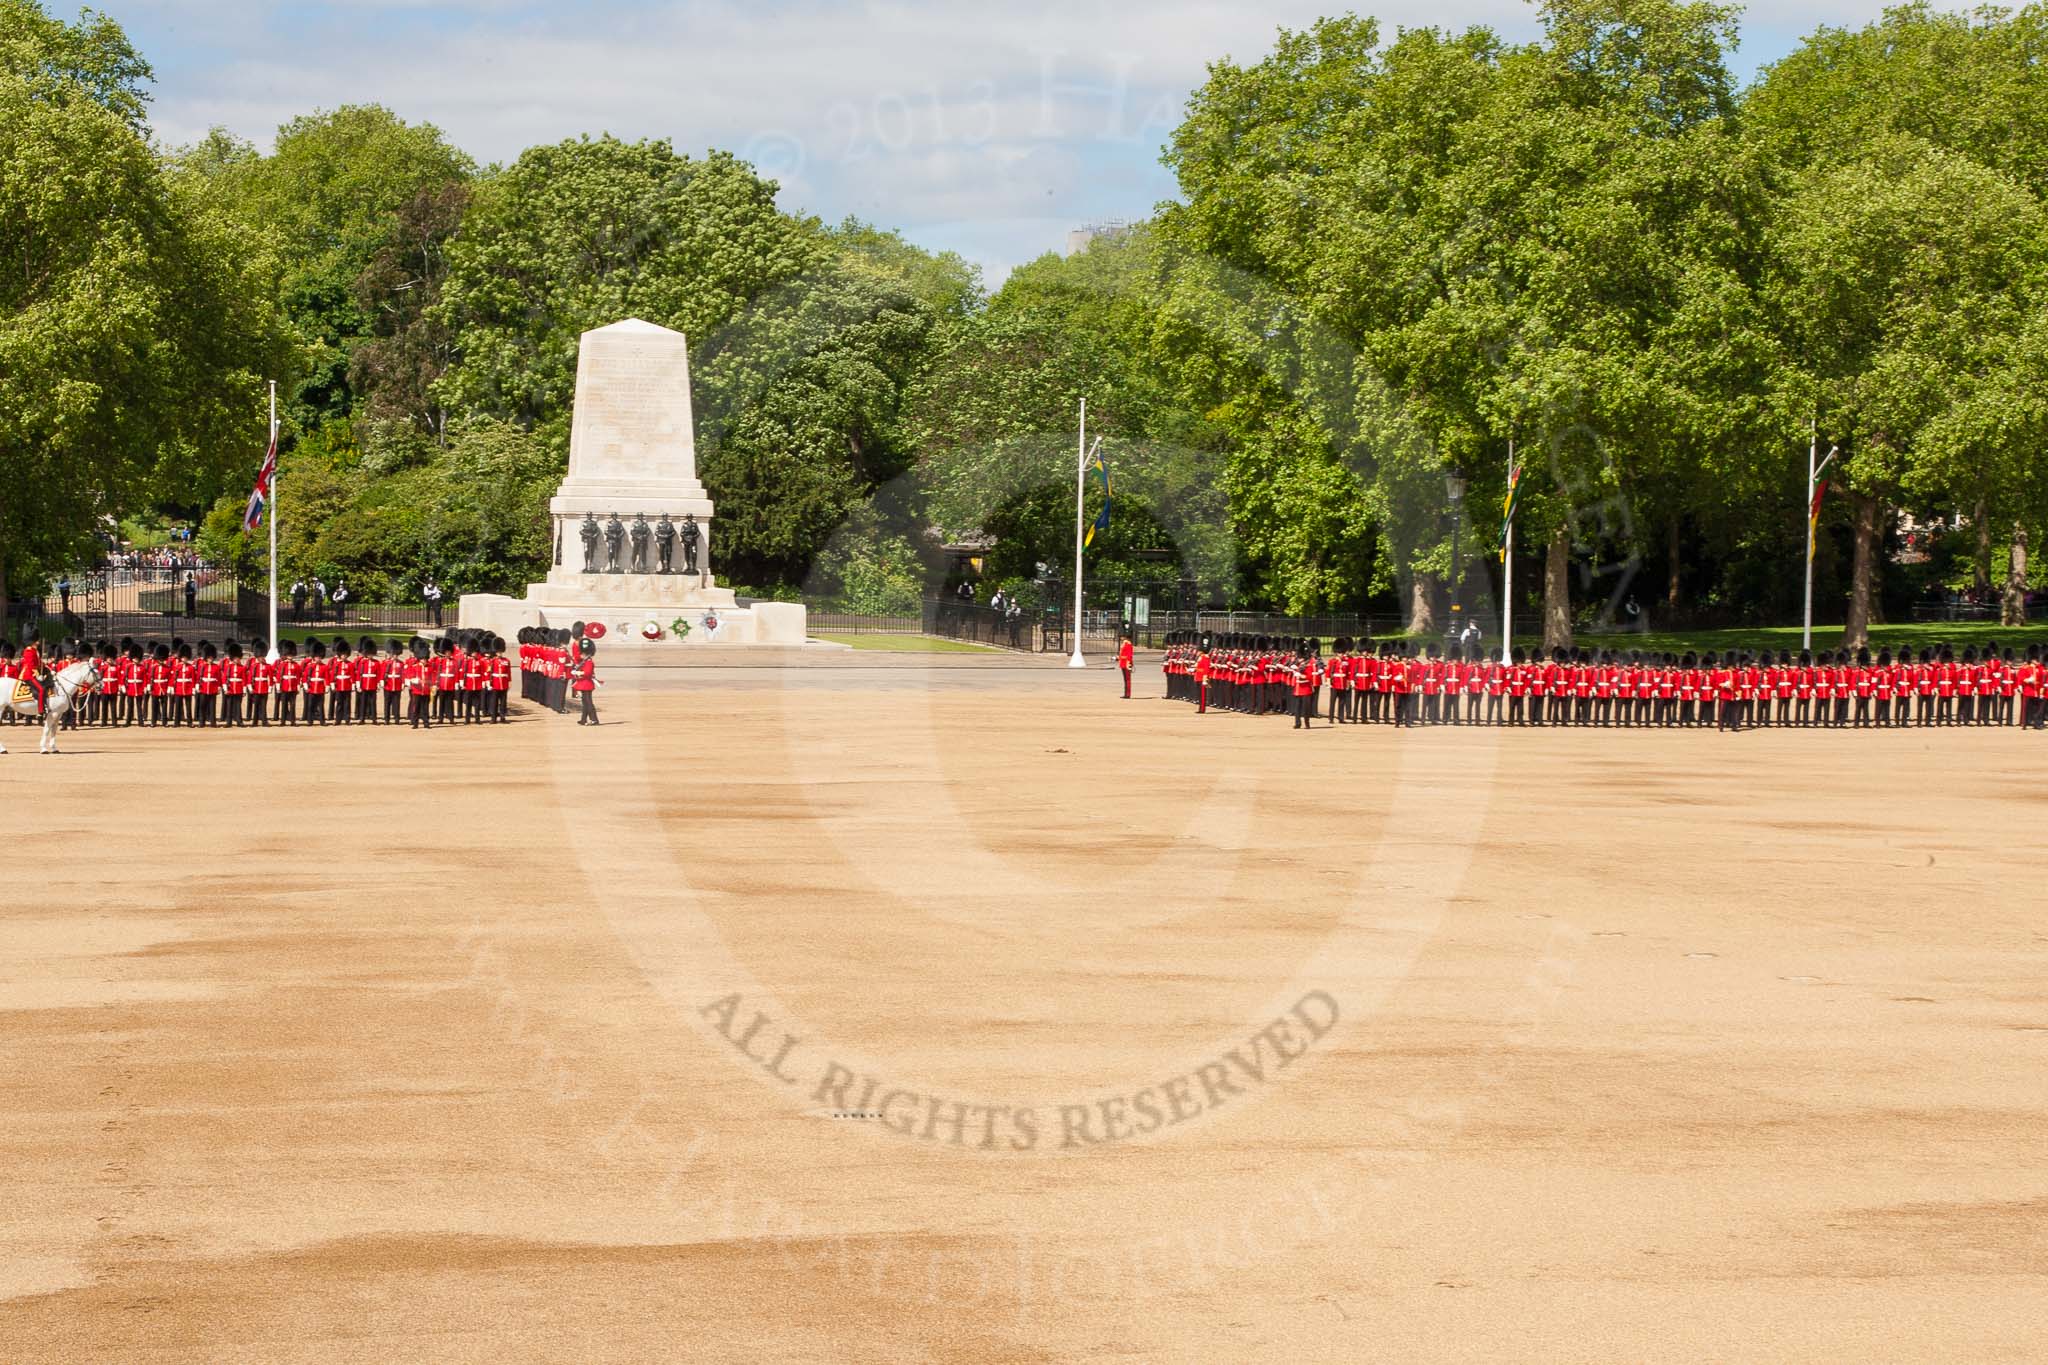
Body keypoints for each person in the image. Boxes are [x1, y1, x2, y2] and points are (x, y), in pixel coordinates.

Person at [573, 640, 601, 725]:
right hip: (584, 684)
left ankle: (594, 719)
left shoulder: (589, 662)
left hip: (587, 684)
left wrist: (578, 673)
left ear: (586, 654)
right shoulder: (585, 661)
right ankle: (583, 719)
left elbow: (587, 673)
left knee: (588, 702)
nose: (581, 655)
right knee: (585, 702)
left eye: (582, 654)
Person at [1117, 632, 1134, 699]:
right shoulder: (1124, 644)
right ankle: (1125, 694)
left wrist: (1128, 664)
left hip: (1127, 663)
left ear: (1125, 637)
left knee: (1127, 679)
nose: (1120, 638)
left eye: (1121, 636)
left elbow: (1129, 655)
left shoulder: (1128, 644)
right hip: (1123, 663)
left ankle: (1128, 694)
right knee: (1125, 679)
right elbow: (1122, 654)